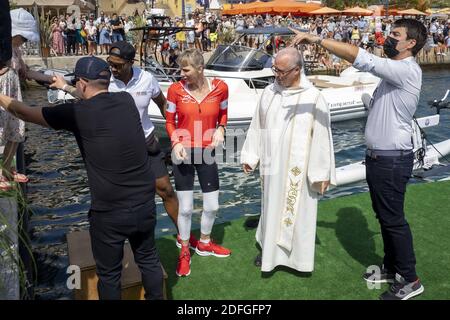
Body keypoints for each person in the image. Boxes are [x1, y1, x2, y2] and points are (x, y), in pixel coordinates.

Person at [0, 56, 164, 300]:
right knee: (148, 259)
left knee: (109, 275)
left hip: (110, 213)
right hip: (144, 203)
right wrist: (64, 87)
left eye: (77, 82)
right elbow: (93, 100)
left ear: (83, 83)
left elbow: (23, 112)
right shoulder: (126, 100)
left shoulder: (76, 113)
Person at [290, 18, 427, 300]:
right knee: (385, 217)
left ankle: (410, 279)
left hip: (391, 159)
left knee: (393, 220)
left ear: (410, 43)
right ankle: (392, 268)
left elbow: (360, 57)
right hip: (380, 158)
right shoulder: (394, 76)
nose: (390, 38)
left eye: (396, 35)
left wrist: (316, 39)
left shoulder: (406, 70)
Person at [50, 41, 191, 248]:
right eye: (110, 63)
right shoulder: (107, 81)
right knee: (122, 196)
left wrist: (176, 136)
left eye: (118, 65)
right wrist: (64, 86)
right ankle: (120, 241)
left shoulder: (147, 79)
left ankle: (184, 236)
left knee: (166, 190)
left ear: (130, 63)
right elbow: (86, 94)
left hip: (147, 141)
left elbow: (163, 105)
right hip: (119, 146)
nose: (113, 69)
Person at [241, 47, 335, 273]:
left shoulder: (313, 99)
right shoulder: (269, 93)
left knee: (297, 211)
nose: (277, 75)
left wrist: (321, 173)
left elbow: (322, 138)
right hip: (272, 167)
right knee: (271, 207)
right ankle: (268, 251)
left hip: (298, 172)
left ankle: (296, 260)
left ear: (297, 70)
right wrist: (251, 155)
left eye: (282, 72)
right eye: (275, 70)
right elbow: (257, 126)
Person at [166, 49, 231, 277]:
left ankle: (204, 242)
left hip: (207, 153)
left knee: (212, 206)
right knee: (184, 208)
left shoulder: (221, 88)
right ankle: (184, 249)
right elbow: (169, 122)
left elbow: (224, 115)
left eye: (186, 70)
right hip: (182, 153)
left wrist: (221, 129)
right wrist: (175, 143)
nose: (181, 74)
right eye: (181, 69)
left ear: (200, 68)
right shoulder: (175, 90)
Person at [0, 8, 42, 189]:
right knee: (0, 130)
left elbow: (24, 71)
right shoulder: (3, 48)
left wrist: (47, 78)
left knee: (17, 130)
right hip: (3, 92)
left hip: (14, 94)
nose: (24, 42)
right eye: (23, 38)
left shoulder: (15, 50)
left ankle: (7, 169)